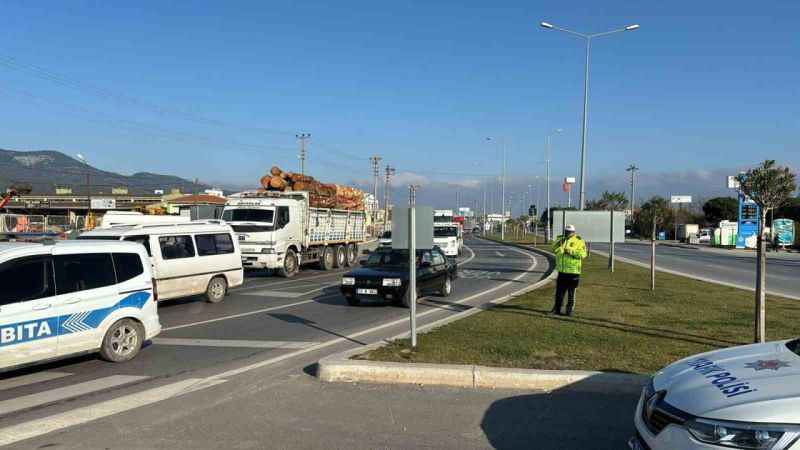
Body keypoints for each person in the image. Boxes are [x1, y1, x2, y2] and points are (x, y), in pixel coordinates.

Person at [550, 224, 587, 316]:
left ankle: (569, 311)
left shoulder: (579, 241)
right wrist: (559, 244)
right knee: (559, 292)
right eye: (566, 231)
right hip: (562, 271)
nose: (568, 233)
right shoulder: (560, 239)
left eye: (570, 232)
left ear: (574, 232)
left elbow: (583, 254)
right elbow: (553, 249)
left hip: (573, 271)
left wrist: (570, 251)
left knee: (571, 293)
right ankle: (557, 309)